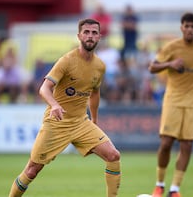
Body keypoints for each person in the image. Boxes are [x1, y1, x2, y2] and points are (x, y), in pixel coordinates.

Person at [8, 18, 121, 197]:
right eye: (86, 32)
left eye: (94, 33)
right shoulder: (66, 61)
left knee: (114, 156)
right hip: (57, 122)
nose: (90, 36)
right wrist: (54, 105)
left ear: (99, 37)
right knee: (31, 170)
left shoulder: (100, 66)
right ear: (79, 36)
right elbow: (44, 88)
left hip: (81, 123)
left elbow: (94, 93)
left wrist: (95, 121)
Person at [148, 12, 193, 197]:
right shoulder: (172, 47)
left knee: (187, 146)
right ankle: (159, 184)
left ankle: (175, 189)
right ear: (181, 28)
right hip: (173, 101)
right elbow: (152, 67)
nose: (190, 30)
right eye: (187, 26)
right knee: (166, 143)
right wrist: (170, 64)